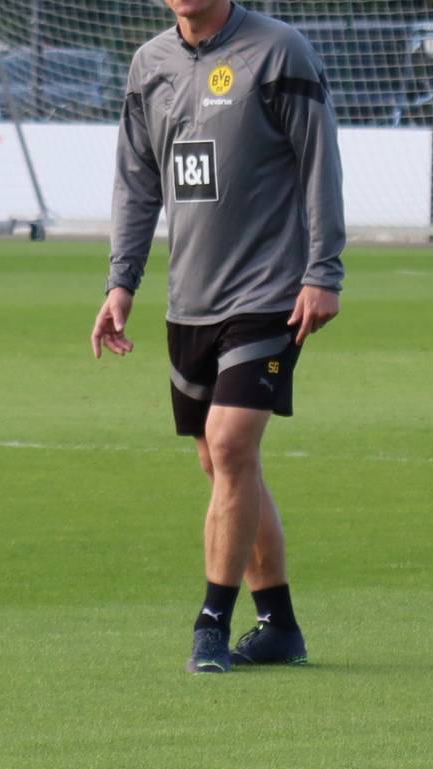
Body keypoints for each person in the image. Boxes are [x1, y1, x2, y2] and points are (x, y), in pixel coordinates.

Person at [91, 0, 344, 674]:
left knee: (231, 446)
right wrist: (121, 282)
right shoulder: (149, 65)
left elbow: (320, 162)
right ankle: (279, 626)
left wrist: (323, 271)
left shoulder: (278, 51)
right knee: (221, 463)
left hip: (270, 292)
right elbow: (137, 182)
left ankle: (210, 624)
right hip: (191, 300)